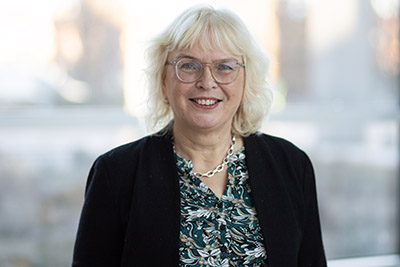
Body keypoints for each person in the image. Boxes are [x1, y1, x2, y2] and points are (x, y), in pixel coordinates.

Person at [72, 5, 326, 267]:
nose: (207, 81)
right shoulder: (116, 174)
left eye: (225, 67)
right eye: (189, 65)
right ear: (163, 80)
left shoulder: (292, 166)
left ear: (246, 80)